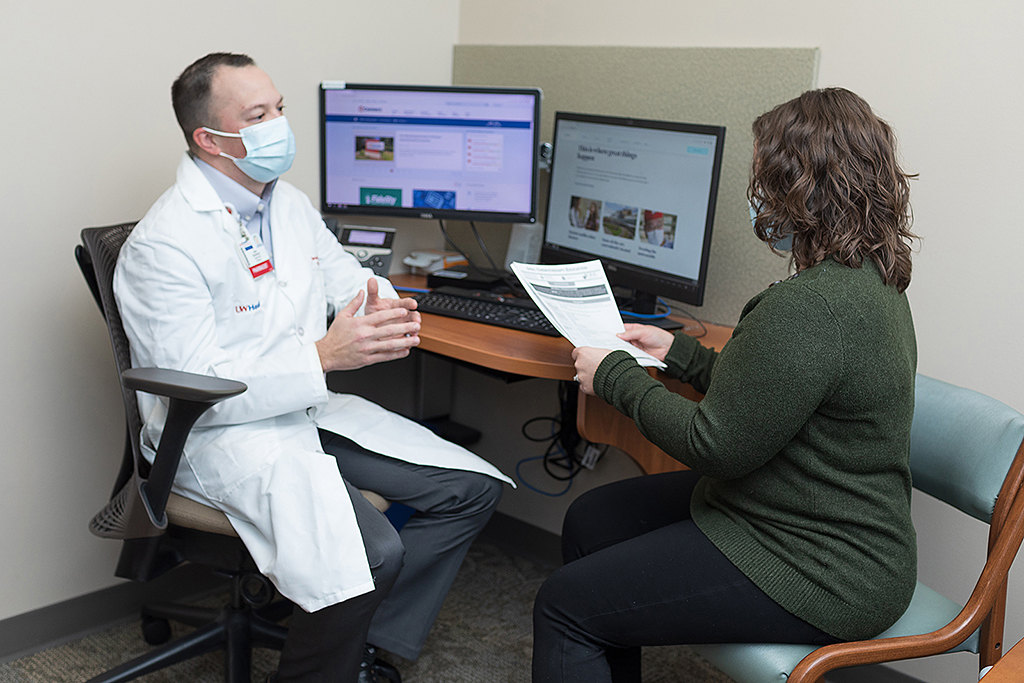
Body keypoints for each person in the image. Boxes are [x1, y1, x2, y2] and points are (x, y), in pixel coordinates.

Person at [114, 52, 511, 683]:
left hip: (301, 411)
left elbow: (344, 276)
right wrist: (323, 357)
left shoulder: (285, 203)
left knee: (469, 490)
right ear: (210, 140)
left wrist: (383, 304)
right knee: (368, 551)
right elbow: (200, 388)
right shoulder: (164, 246)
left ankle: (365, 649)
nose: (278, 125)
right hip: (218, 437)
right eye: (258, 115)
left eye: (278, 109)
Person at [532, 88, 919, 683]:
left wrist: (615, 377)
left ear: (803, 191)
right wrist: (681, 354)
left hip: (823, 563)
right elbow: (777, 390)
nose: (757, 197)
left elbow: (717, 444)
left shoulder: (812, 306)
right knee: (593, 522)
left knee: (565, 608)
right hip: (779, 511)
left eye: (766, 180)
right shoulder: (868, 281)